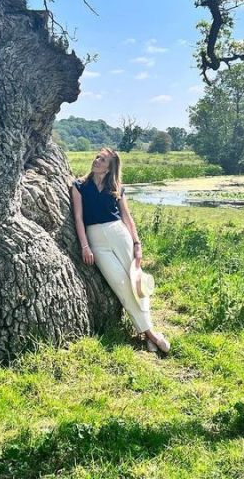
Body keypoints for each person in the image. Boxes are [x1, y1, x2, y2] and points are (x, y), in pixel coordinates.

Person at [71, 148, 171, 355]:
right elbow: (78, 219)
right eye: (97, 157)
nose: (96, 160)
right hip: (96, 239)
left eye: (102, 159)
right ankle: (151, 334)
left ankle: (147, 333)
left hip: (119, 233)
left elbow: (127, 218)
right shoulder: (79, 186)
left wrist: (137, 244)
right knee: (121, 284)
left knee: (137, 282)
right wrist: (85, 246)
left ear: (110, 168)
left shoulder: (116, 188)